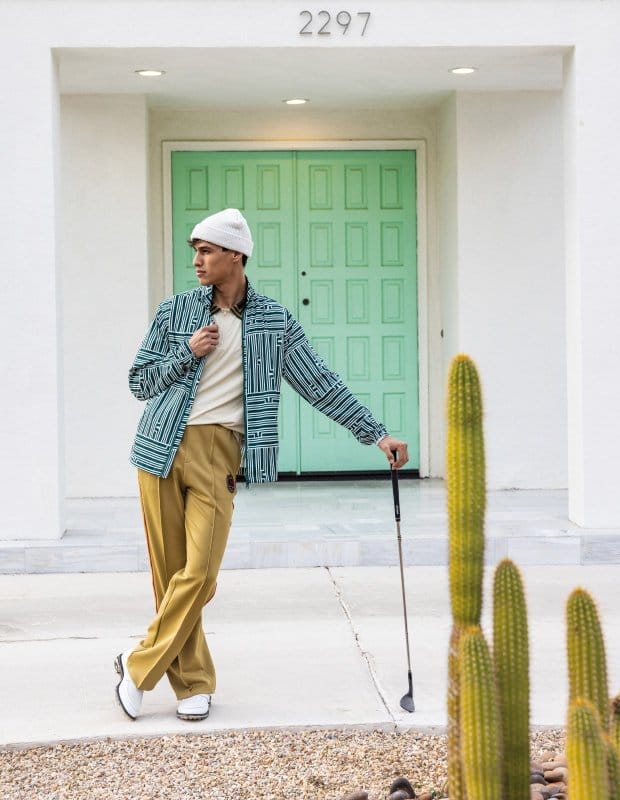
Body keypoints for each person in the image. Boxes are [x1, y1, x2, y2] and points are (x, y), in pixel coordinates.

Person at [115, 208, 409, 721]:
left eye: (206, 250)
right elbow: (139, 382)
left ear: (235, 254)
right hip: (159, 449)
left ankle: (136, 666)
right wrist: (187, 353)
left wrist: (375, 433)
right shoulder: (177, 310)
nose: (197, 260)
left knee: (201, 574)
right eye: (195, 250)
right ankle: (194, 685)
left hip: (220, 453)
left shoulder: (272, 320)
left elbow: (318, 381)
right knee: (171, 577)